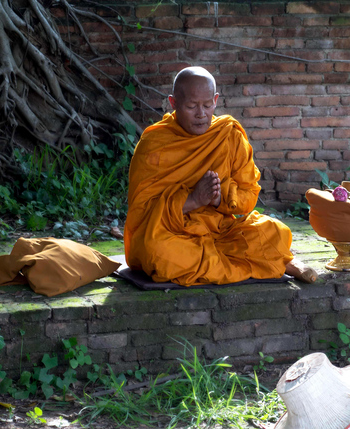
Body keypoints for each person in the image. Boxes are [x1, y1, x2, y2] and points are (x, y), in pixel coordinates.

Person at [124, 66, 316, 286]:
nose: (201, 114)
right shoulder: (154, 144)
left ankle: (269, 261)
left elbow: (249, 195)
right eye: (191, 106)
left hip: (221, 231)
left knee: (272, 231)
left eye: (207, 105)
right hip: (173, 233)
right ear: (173, 103)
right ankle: (272, 263)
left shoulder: (228, 135)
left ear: (215, 100)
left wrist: (218, 198)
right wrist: (192, 201)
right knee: (158, 252)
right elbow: (141, 212)